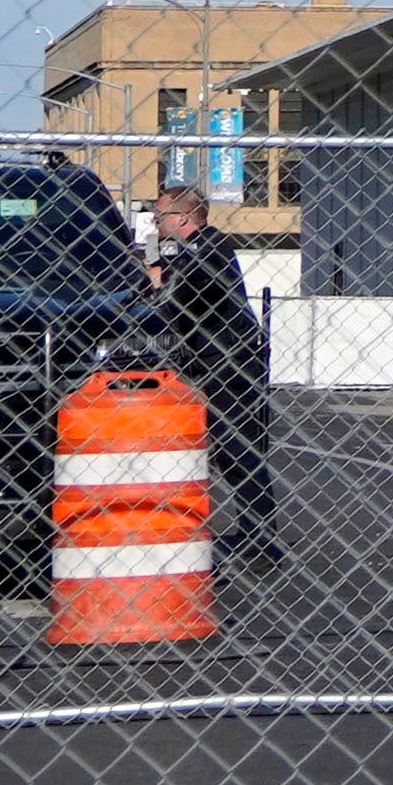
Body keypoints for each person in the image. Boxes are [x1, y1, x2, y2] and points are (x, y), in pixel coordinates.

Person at [145, 185, 279, 561]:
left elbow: (176, 300)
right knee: (225, 450)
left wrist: (157, 280)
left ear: (184, 217)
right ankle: (253, 532)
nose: (156, 223)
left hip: (231, 363)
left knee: (237, 449)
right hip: (217, 361)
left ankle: (261, 539)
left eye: (162, 216)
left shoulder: (208, 250)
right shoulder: (195, 251)